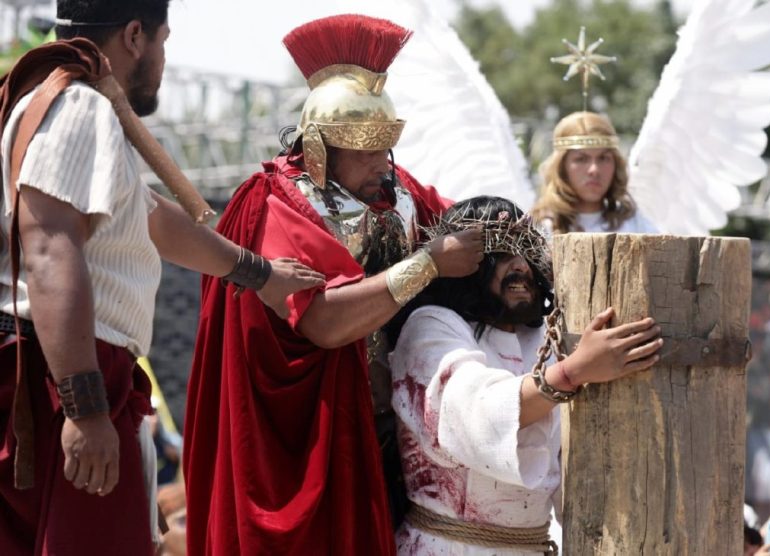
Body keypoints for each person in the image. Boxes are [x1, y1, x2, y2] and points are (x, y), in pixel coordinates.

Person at [0, 2, 323, 555]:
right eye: (163, 40)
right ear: (133, 35)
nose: (165, 59)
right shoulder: (78, 108)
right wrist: (86, 406)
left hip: (59, 371)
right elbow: (50, 249)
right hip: (63, 378)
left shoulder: (59, 103)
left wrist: (258, 273)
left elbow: (149, 218)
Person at [184, 14, 485, 556]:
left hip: (399, 427)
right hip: (314, 435)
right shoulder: (278, 203)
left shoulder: (399, 190)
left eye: (384, 145)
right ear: (320, 146)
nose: (380, 162)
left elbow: (463, 225)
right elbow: (324, 321)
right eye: (363, 148)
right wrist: (430, 264)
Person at [389, 196, 663, 555]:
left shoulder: (542, 338)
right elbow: (476, 413)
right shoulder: (431, 327)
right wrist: (573, 372)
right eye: (501, 253)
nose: (520, 266)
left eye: (527, 251)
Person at [532, 111, 657, 234]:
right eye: (581, 159)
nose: (594, 170)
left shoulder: (635, 225)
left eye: (603, 158)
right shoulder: (539, 229)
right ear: (561, 166)